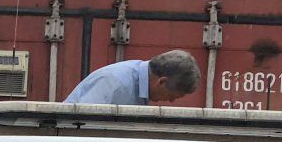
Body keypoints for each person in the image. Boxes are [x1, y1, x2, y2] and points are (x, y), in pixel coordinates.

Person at [63, 49, 201, 106]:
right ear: (161, 82)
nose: (170, 101)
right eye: (172, 96)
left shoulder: (142, 88)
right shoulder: (114, 83)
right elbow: (82, 128)